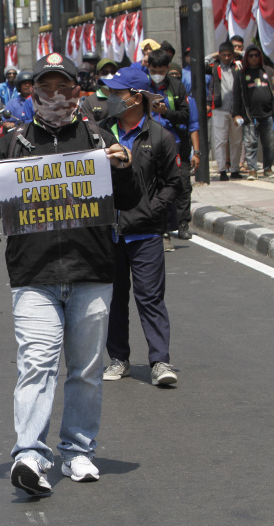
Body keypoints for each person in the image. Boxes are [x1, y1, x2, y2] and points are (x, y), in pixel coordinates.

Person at [0, 53, 141, 496]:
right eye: (44, 88)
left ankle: (78, 450)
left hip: (92, 272)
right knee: (37, 365)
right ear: (31, 94)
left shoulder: (98, 138)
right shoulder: (10, 144)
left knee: (85, 370)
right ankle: (29, 453)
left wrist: (123, 167)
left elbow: (127, 198)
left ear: (76, 93)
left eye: (62, 88)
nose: (54, 96)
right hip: (34, 275)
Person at [96, 67, 180, 387]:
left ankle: (160, 360)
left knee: (150, 298)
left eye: (118, 93)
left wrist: (150, 211)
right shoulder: (100, 133)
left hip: (145, 234)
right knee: (114, 300)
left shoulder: (160, 136)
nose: (112, 98)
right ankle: (119, 359)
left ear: (137, 98)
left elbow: (172, 185)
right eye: (111, 93)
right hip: (108, 234)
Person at [147, 49, 189, 252]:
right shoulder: (142, 87)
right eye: (153, 70)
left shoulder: (177, 87)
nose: (157, 74)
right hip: (147, 141)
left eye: (160, 70)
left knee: (172, 184)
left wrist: (166, 112)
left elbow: (185, 115)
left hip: (172, 141)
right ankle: (153, 229)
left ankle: (168, 229)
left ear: (167, 69)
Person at [233, 45, 274, 180]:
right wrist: (236, 113)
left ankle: (268, 168)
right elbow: (236, 95)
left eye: (256, 55)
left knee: (269, 143)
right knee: (250, 143)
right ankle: (252, 170)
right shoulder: (241, 74)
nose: (254, 58)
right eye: (251, 55)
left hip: (268, 115)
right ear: (247, 57)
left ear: (260, 56)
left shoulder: (269, 71)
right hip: (250, 115)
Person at [168, 64, 201, 240]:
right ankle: (164, 226)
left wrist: (197, 152)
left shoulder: (189, 101)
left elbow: (193, 127)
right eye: (171, 75)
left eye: (178, 76)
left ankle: (182, 224)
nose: (175, 79)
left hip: (182, 148)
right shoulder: (160, 98)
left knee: (184, 186)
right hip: (164, 149)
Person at [207, 41, 243, 180]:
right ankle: (222, 169)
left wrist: (238, 53)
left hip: (236, 110)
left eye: (229, 55)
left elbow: (247, 57)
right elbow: (201, 63)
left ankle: (235, 169)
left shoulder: (238, 66)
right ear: (219, 55)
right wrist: (213, 55)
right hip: (220, 109)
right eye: (224, 55)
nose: (227, 58)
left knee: (236, 141)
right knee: (220, 140)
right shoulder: (215, 67)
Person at [81, 58, 118, 123]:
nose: (109, 75)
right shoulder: (89, 102)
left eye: (112, 72)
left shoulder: (123, 98)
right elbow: (89, 127)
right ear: (97, 77)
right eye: (105, 72)